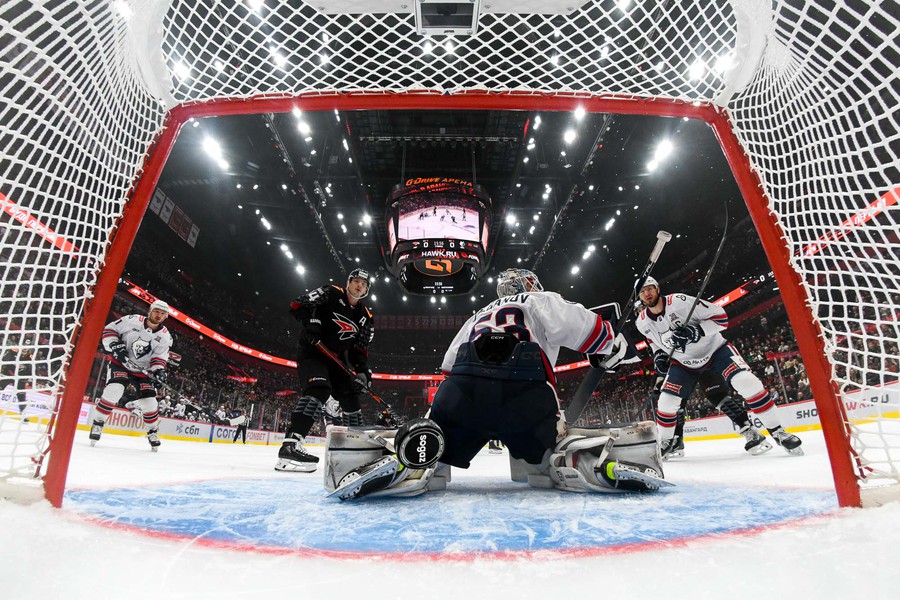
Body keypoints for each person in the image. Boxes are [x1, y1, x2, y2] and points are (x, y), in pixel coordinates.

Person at [324, 268, 671, 500]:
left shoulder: (477, 315)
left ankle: (416, 459)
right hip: (525, 394)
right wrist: (613, 348)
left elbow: (448, 366)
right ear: (528, 284)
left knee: (439, 441)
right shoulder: (540, 299)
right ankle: (576, 461)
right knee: (545, 459)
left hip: (463, 391)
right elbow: (591, 331)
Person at [635, 277, 802, 456]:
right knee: (667, 402)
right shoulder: (641, 322)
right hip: (683, 364)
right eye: (643, 292)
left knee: (745, 382)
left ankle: (777, 431)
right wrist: (659, 356)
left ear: (658, 289)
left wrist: (697, 331)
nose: (647, 294)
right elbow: (654, 342)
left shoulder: (679, 302)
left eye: (650, 289)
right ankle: (667, 442)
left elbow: (721, 318)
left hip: (715, 351)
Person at [275, 268, 375, 472]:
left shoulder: (365, 317)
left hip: (335, 359)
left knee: (351, 397)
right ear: (349, 282)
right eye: (356, 281)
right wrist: (312, 325)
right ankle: (290, 447)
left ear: (366, 290)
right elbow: (298, 304)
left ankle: (353, 449)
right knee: (319, 390)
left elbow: (359, 349)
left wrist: (363, 371)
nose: (359, 285)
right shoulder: (330, 292)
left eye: (364, 284)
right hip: (313, 352)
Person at [89, 299, 173, 451]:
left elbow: (159, 358)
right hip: (121, 363)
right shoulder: (132, 320)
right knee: (114, 390)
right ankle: (98, 423)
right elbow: (109, 330)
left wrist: (159, 371)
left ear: (166, 316)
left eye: (162, 313)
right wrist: (115, 344)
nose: (158, 315)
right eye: (156, 311)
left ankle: (152, 432)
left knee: (150, 403)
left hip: (142, 372)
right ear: (150, 311)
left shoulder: (165, 336)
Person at [649, 371, 771, 459]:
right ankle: (676, 441)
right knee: (675, 402)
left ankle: (751, 432)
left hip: (703, 359)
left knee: (718, 395)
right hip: (680, 366)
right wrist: (661, 376)